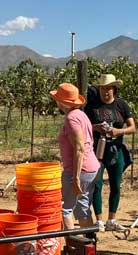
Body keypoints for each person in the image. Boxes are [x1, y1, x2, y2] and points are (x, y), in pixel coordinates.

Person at [83, 74, 136, 232]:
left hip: (116, 150)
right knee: (97, 184)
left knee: (116, 185)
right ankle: (99, 220)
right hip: (96, 150)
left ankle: (112, 219)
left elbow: (132, 127)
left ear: (114, 89)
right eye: (103, 88)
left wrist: (118, 131)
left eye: (109, 88)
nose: (106, 91)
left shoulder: (121, 105)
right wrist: (95, 127)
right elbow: (83, 126)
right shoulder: (91, 107)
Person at [51, 83, 100, 230]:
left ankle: (74, 246)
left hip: (79, 170)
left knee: (65, 209)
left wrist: (76, 178)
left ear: (62, 102)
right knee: (82, 208)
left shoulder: (71, 119)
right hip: (91, 168)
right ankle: (89, 246)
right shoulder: (81, 115)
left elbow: (79, 148)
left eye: (57, 99)